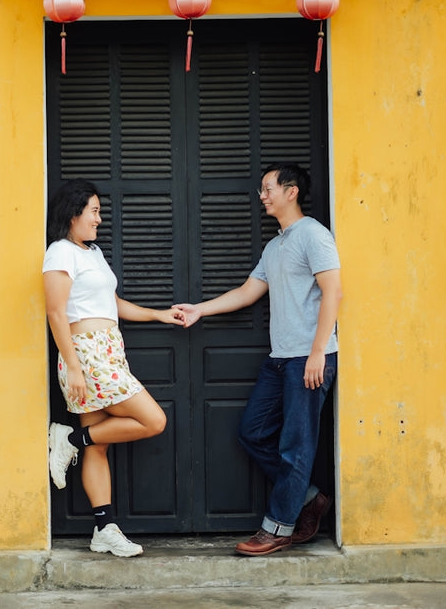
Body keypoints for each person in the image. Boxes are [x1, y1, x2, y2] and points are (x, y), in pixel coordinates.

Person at [176, 162, 342, 556]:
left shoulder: (314, 236)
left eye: (268, 188)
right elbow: (248, 291)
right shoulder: (277, 245)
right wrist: (201, 309)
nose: (262, 195)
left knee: (296, 448)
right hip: (280, 360)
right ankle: (311, 499)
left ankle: (278, 528)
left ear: (291, 191)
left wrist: (318, 351)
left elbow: (333, 292)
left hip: (307, 357)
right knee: (252, 432)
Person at [43, 179, 183, 558]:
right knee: (154, 420)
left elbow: (113, 302)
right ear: (73, 214)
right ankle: (70, 440)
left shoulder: (92, 253)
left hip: (108, 351)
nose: (99, 219)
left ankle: (103, 528)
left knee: (99, 445)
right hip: (85, 355)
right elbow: (56, 311)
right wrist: (72, 365)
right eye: (94, 211)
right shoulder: (60, 253)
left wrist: (158, 315)